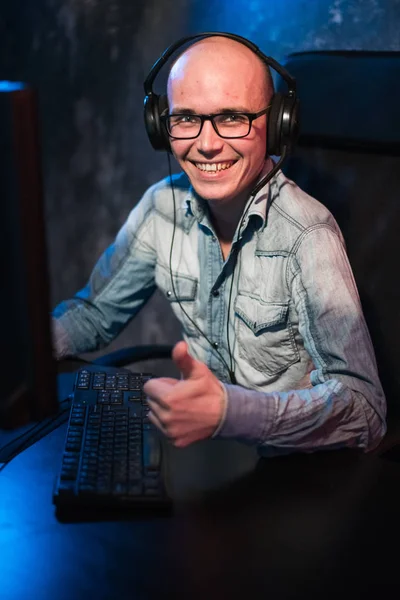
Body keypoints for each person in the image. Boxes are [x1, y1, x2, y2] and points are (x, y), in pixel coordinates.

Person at [52, 34, 386, 456]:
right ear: (161, 125)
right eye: (186, 119)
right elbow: (94, 313)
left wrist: (232, 413)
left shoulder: (308, 235)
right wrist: (24, 351)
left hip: (290, 481)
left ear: (278, 124)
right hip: (207, 463)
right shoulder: (162, 207)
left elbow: (365, 410)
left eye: (231, 117)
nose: (206, 144)